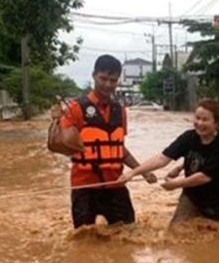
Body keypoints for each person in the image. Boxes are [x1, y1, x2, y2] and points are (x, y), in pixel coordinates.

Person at [54, 54, 156, 228]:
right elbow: (62, 144)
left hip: (115, 184)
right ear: (94, 75)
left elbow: (119, 149)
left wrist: (142, 171)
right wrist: (56, 122)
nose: (108, 84)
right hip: (84, 187)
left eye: (113, 80)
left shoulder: (120, 110)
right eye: (103, 78)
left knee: (129, 234)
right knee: (83, 240)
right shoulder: (75, 109)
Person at [118, 99, 219, 223]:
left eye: (205, 120)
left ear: (216, 123)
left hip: (218, 202)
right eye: (197, 118)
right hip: (192, 197)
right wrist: (133, 173)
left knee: (217, 237)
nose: (199, 123)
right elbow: (162, 159)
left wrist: (176, 184)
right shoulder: (188, 137)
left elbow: (204, 177)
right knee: (175, 234)